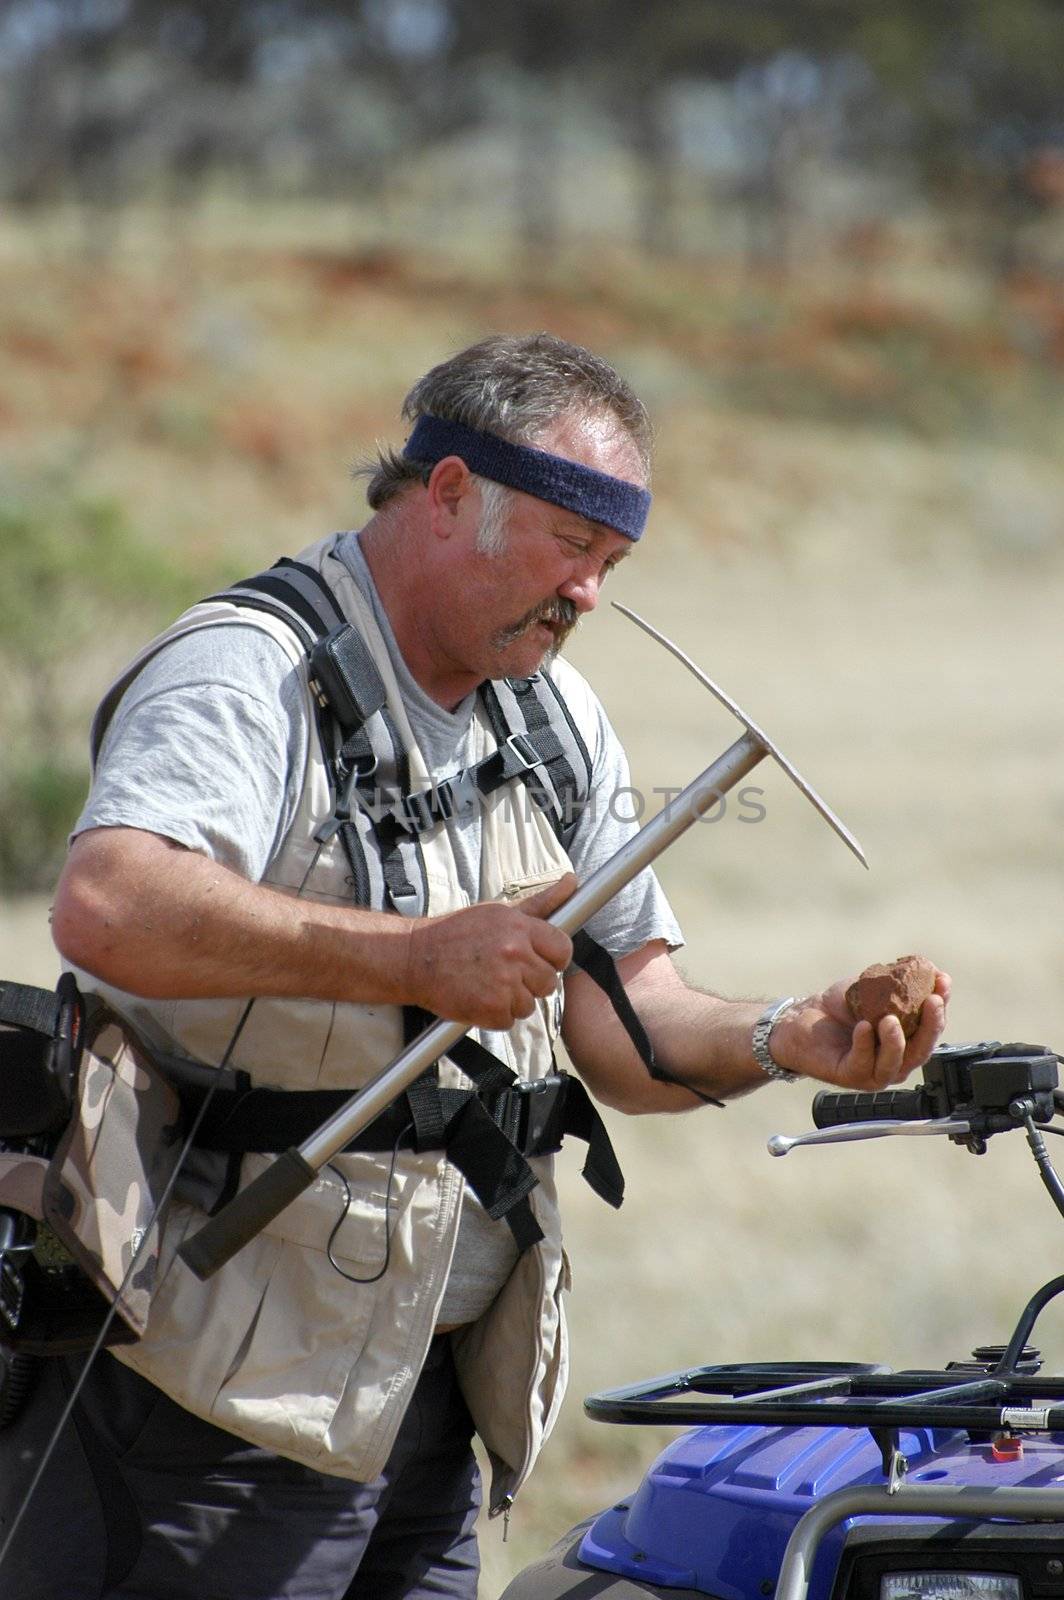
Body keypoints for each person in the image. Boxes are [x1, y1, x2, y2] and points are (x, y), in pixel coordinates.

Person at [1, 333, 948, 1600]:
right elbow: (108, 903)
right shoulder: (247, 667)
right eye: (570, 547)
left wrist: (796, 1034)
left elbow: (635, 1020)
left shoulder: (555, 714)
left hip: (436, 1391)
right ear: (445, 493)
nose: (589, 597)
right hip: (206, 1388)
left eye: (611, 565)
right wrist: (414, 956)